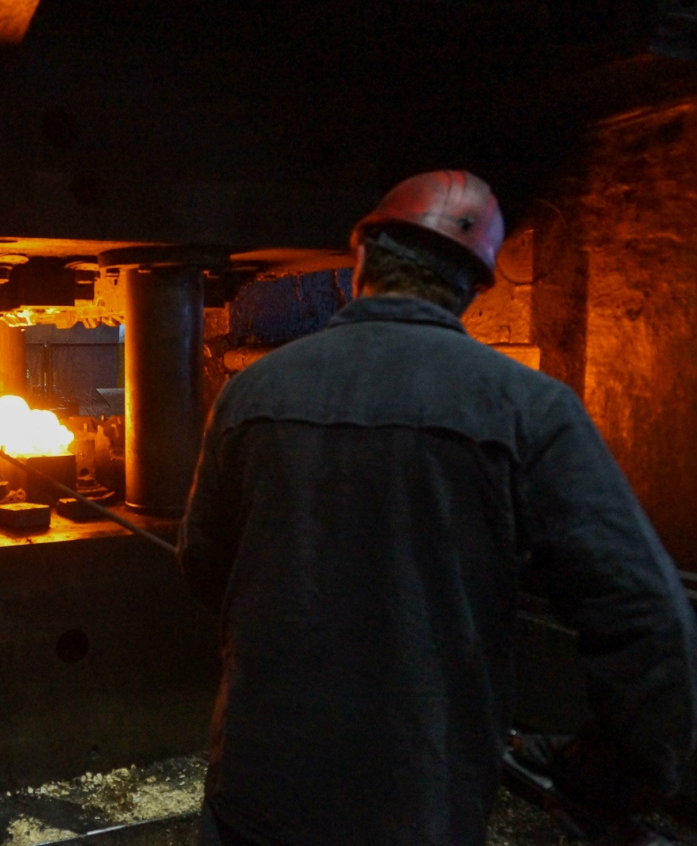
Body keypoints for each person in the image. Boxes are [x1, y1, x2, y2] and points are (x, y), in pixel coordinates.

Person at [178, 170, 697, 846]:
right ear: (473, 286)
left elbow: (203, 564)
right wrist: (611, 775)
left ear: (363, 260)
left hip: (259, 786)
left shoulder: (251, 394)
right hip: (418, 800)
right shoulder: (528, 407)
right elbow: (650, 620)